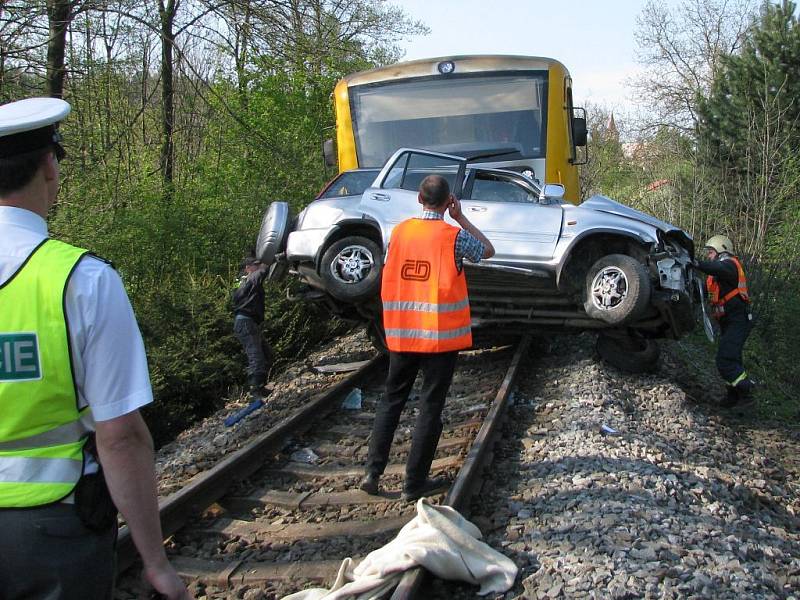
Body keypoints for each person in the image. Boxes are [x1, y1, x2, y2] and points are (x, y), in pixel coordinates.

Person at [0, 98, 189, 599]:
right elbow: (121, 437)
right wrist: (155, 561)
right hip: (50, 531)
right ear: (48, 166)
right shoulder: (82, 280)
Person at [360, 174, 495, 502]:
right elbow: (488, 251)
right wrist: (460, 217)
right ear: (448, 201)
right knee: (430, 407)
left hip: (402, 334)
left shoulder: (399, 232)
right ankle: (413, 484)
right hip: (439, 338)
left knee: (392, 400)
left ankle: (372, 473)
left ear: (420, 199)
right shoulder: (454, 236)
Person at [695, 234, 755, 408]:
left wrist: (696, 263)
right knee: (732, 358)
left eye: (711, 252)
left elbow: (716, 268)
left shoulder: (729, 265)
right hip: (728, 322)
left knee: (725, 359)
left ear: (721, 250)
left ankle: (746, 393)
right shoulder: (715, 277)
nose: (709, 255)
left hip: (739, 320)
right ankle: (733, 397)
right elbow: (702, 294)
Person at [232, 256, 270, 395]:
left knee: (265, 354)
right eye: (255, 265)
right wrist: (271, 259)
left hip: (245, 322)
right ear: (247, 268)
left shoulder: (240, 283)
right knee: (256, 355)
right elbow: (262, 272)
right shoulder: (250, 279)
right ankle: (255, 390)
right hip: (246, 322)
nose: (258, 267)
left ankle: (261, 386)